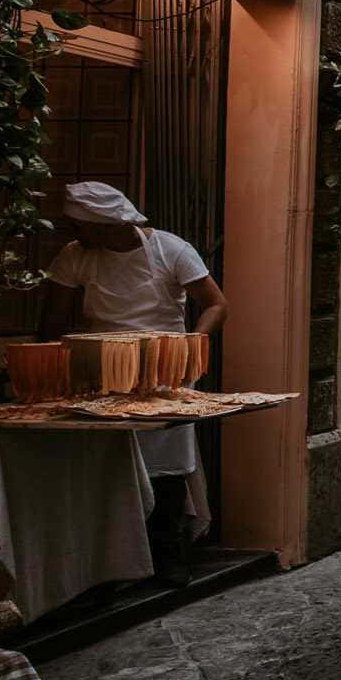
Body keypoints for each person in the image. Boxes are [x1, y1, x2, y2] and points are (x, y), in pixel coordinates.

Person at [39, 182, 228, 586]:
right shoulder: (76, 256)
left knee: (167, 462)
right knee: (107, 459)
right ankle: (110, 560)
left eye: (79, 225)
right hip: (100, 370)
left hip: (164, 370)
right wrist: (51, 368)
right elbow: (52, 320)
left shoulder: (170, 249)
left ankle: (168, 552)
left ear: (106, 224)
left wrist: (191, 347)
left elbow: (216, 303)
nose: (73, 232)